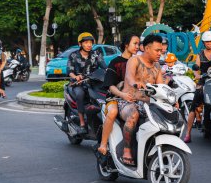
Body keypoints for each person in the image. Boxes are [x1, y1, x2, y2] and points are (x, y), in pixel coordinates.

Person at [118, 34, 164, 165]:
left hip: (148, 104)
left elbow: (161, 86)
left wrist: (171, 97)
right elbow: (129, 77)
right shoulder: (134, 60)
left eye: (161, 50)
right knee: (133, 115)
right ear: (147, 49)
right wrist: (136, 83)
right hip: (128, 101)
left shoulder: (157, 66)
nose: (160, 53)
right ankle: (127, 150)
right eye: (157, 50)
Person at [98, 34, 140, 155]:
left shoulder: (139, 62)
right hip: (115, 97)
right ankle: (103, 144)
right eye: (134, 43)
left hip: (134, 98)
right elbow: (110, 85)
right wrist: (122, 95)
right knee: (112, 112)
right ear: (126, 45)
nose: (137, 46)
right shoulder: (115, 62)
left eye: (138, 44)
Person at [67, 32, 107, 134]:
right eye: (86, 42)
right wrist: (75, 77)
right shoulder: (74, 55)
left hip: (93, 82)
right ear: (80, 44)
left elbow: (103, 66)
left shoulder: (96, 54)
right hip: (78, 83)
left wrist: (109, 72)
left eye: (90, 42)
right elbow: (70, 70)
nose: (89, 45)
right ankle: (82, 124)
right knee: (80, 94)